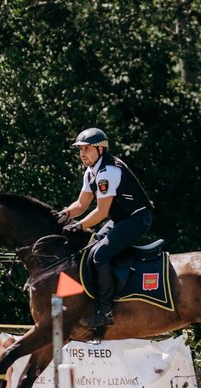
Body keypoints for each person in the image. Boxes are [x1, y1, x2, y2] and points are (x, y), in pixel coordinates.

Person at [60, 127, 154, 328]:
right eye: (80, 149)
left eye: (87, 149)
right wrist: (63, 215)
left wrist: (77, 226)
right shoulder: (91, 172)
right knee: (88, 248)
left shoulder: (107, 172)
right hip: (120, 219)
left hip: (137, 219)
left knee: (100, 255)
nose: (82, 153)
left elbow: (101, 212)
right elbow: (81, 204)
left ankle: (106, 311)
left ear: (100, 150)